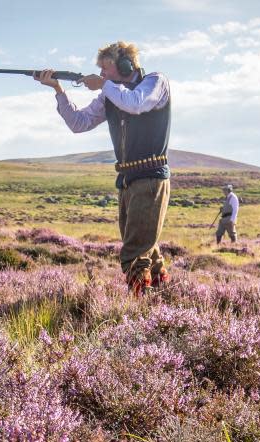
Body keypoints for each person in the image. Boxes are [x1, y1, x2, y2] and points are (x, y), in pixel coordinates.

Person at [34, 41, 171, 296]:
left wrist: (106, 86)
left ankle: (141, 307)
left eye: (106, 69)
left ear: (125, 64)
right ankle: (162, 303)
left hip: (151, 178)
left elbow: (136, 103)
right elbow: (79, 123)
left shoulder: (155, 82)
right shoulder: (110, 93)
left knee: (133, 252)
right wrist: (58, 89)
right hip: (128, 179)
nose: (102, 74)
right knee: (146, 248)